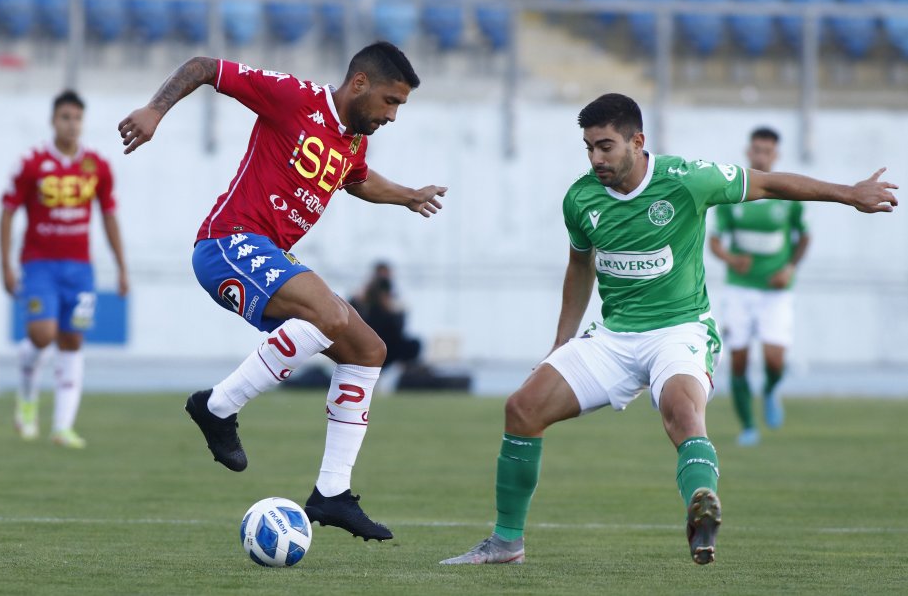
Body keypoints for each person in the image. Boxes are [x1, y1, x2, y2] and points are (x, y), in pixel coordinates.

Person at [440, 93, 897, 566]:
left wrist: (848, 193)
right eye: (588, 148)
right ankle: (506, 543)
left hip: (680, 332)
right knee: (522, 407)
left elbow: (770, 183)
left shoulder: (685, 180)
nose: (596, 158)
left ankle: (702, 505)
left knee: (681, 410)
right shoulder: (580, 198)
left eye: (606, 146)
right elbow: (580, 266)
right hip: (614, 338)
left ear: (637, 141)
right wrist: (561, 343)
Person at [117, 42, 447, 542]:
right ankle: (217, 406)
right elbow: (207, 67)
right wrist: (154, 111)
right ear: (359, 83)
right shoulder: (295, 98)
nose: (393, 115)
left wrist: (407, 196)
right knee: (329, 317)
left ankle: (332, 493)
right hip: (228, 244)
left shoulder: (354, 141)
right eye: (390, 101)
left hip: (272, 257)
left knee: (368, 350)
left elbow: (355, 181)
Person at [0, 90, 130, 449]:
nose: (71, 124)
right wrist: (6, 265)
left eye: (76, 118)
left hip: (80, 269)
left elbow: (108, 216)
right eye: (65, 118)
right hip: (38, 264)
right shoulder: (32, 162)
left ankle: (62, 426)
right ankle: (27, 402)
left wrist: (121, 267)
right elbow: (8, 211)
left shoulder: (97, 166)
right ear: (53, 121)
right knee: (42, 335)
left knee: (72, 339)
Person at [709, 127, 809, 447]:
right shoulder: (733, 194)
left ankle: (769, 390)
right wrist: (730, 259)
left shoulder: (787, 195)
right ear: (748, 152)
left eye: (767, 150)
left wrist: (789, 267)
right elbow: (714, 241)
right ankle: (749, 426)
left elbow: (803, 237)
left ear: (775, 155)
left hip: (775, 289)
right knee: (737, 359)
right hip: (740, 289)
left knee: (774, 360)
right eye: (756, 150)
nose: (761, 155)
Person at [350, 261, 422, 368]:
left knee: (414, 344)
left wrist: (391, 307)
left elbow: (399, 328)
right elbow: (352, 316)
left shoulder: (393, 299)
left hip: (389, 342)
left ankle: (401, 374)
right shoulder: (363, 297)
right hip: (368, 338)